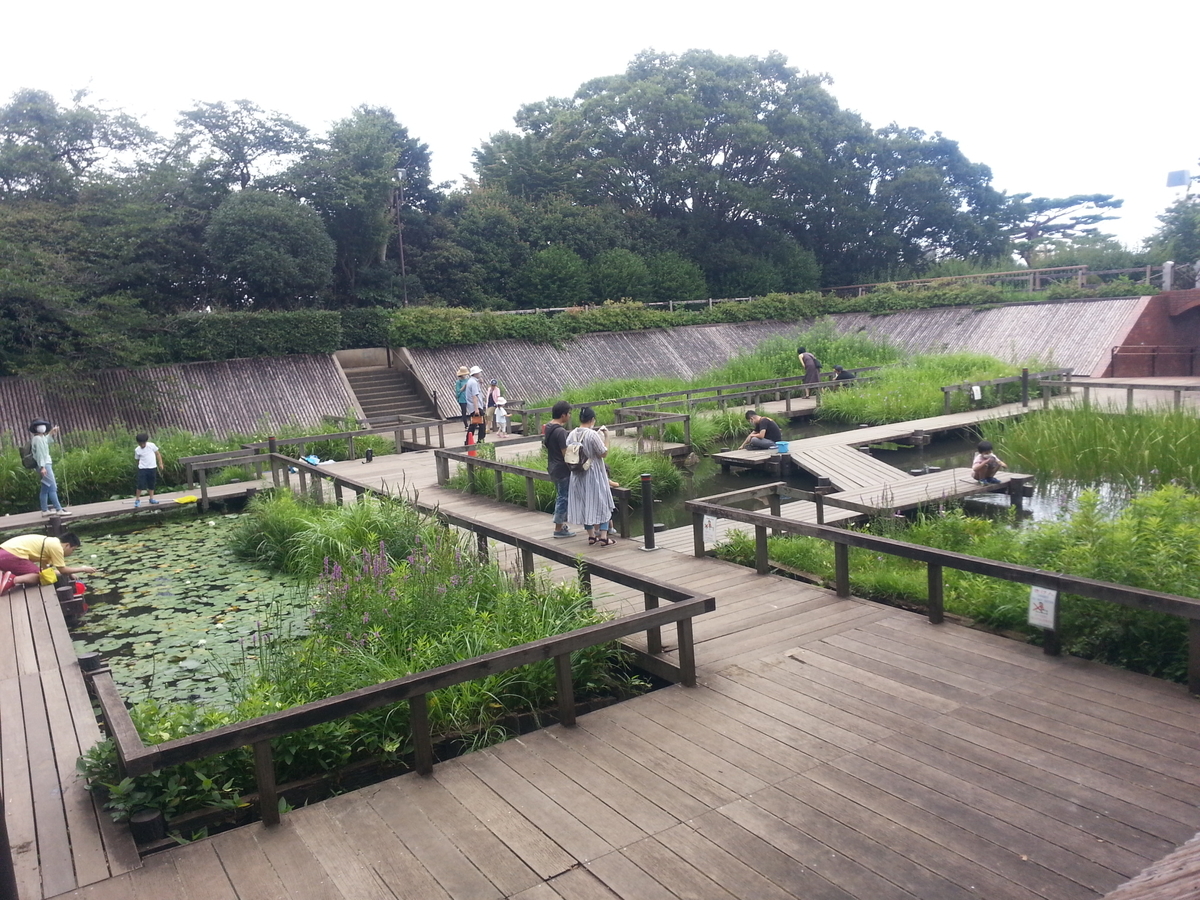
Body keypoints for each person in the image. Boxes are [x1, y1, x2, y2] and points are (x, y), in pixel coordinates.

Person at [566, 407, 616, 546]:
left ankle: (591, 536)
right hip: (593, 474)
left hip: (576, 474)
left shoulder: (571, 434)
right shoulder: (592, 434)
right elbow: (603, 453)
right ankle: (604, 537)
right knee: (602, 503)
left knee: (584, 504)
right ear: (592, 420)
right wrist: (606, 436)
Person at [0, 532, 97, 592]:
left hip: (3, 553)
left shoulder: (51, 542)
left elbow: (47, 571)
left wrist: (70, 574)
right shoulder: (57, 547)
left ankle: (3, 578)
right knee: (40, 577)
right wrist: (83, 569)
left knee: (42, 574)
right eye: (73, 549)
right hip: (12, 555)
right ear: (67, 545)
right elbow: (62, 570)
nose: (72, 553)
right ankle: (12, 580)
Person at [543, 401, 575, 538]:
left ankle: (561, 525)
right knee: (563, 497)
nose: (569, 416)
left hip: (552, 467)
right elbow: (565, 453)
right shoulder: (561, 431)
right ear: (563, 415)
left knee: (561, 495)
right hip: (561, 469)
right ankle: (558, 528)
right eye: (569, 413)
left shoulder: (549, 427)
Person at [29, 419, 69, 516]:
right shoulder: (37, 439)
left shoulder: (40, 438)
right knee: (52, 487)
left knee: (45, 488)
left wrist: (52, 432)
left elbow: (47, 440)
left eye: (43, 425)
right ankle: (58, 509)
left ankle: (44, 510)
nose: (42, 426)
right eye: (39, 425)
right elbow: (40, 454)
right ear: (35, 428)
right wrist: (42, 467)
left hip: (44, 465)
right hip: (44, 465)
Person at [133, 433, 165, 507]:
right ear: (138, 443)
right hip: (143, 469)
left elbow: (158, 454)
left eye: (143, 443)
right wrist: (139, 466)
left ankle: (151, 498)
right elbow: (137, 460)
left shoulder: (151, 445)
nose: (142, 445)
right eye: (141, 444)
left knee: (151, 483)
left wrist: (160, 463)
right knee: (140, 484)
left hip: (152, 467)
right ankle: (137, 499)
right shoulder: (137, 450)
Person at [463, 366, 486, 445]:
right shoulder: (473, 383)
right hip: (476, 407)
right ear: (475, 373)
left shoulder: (471, 381)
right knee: (481, 425)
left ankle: (468, 441)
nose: (480, 373)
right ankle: (480, 440)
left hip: (473, 407)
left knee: (474, 424)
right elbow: (474, 396)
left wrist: (480, 383)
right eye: (479, 372)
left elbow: (477, 392)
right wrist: (476, 409)